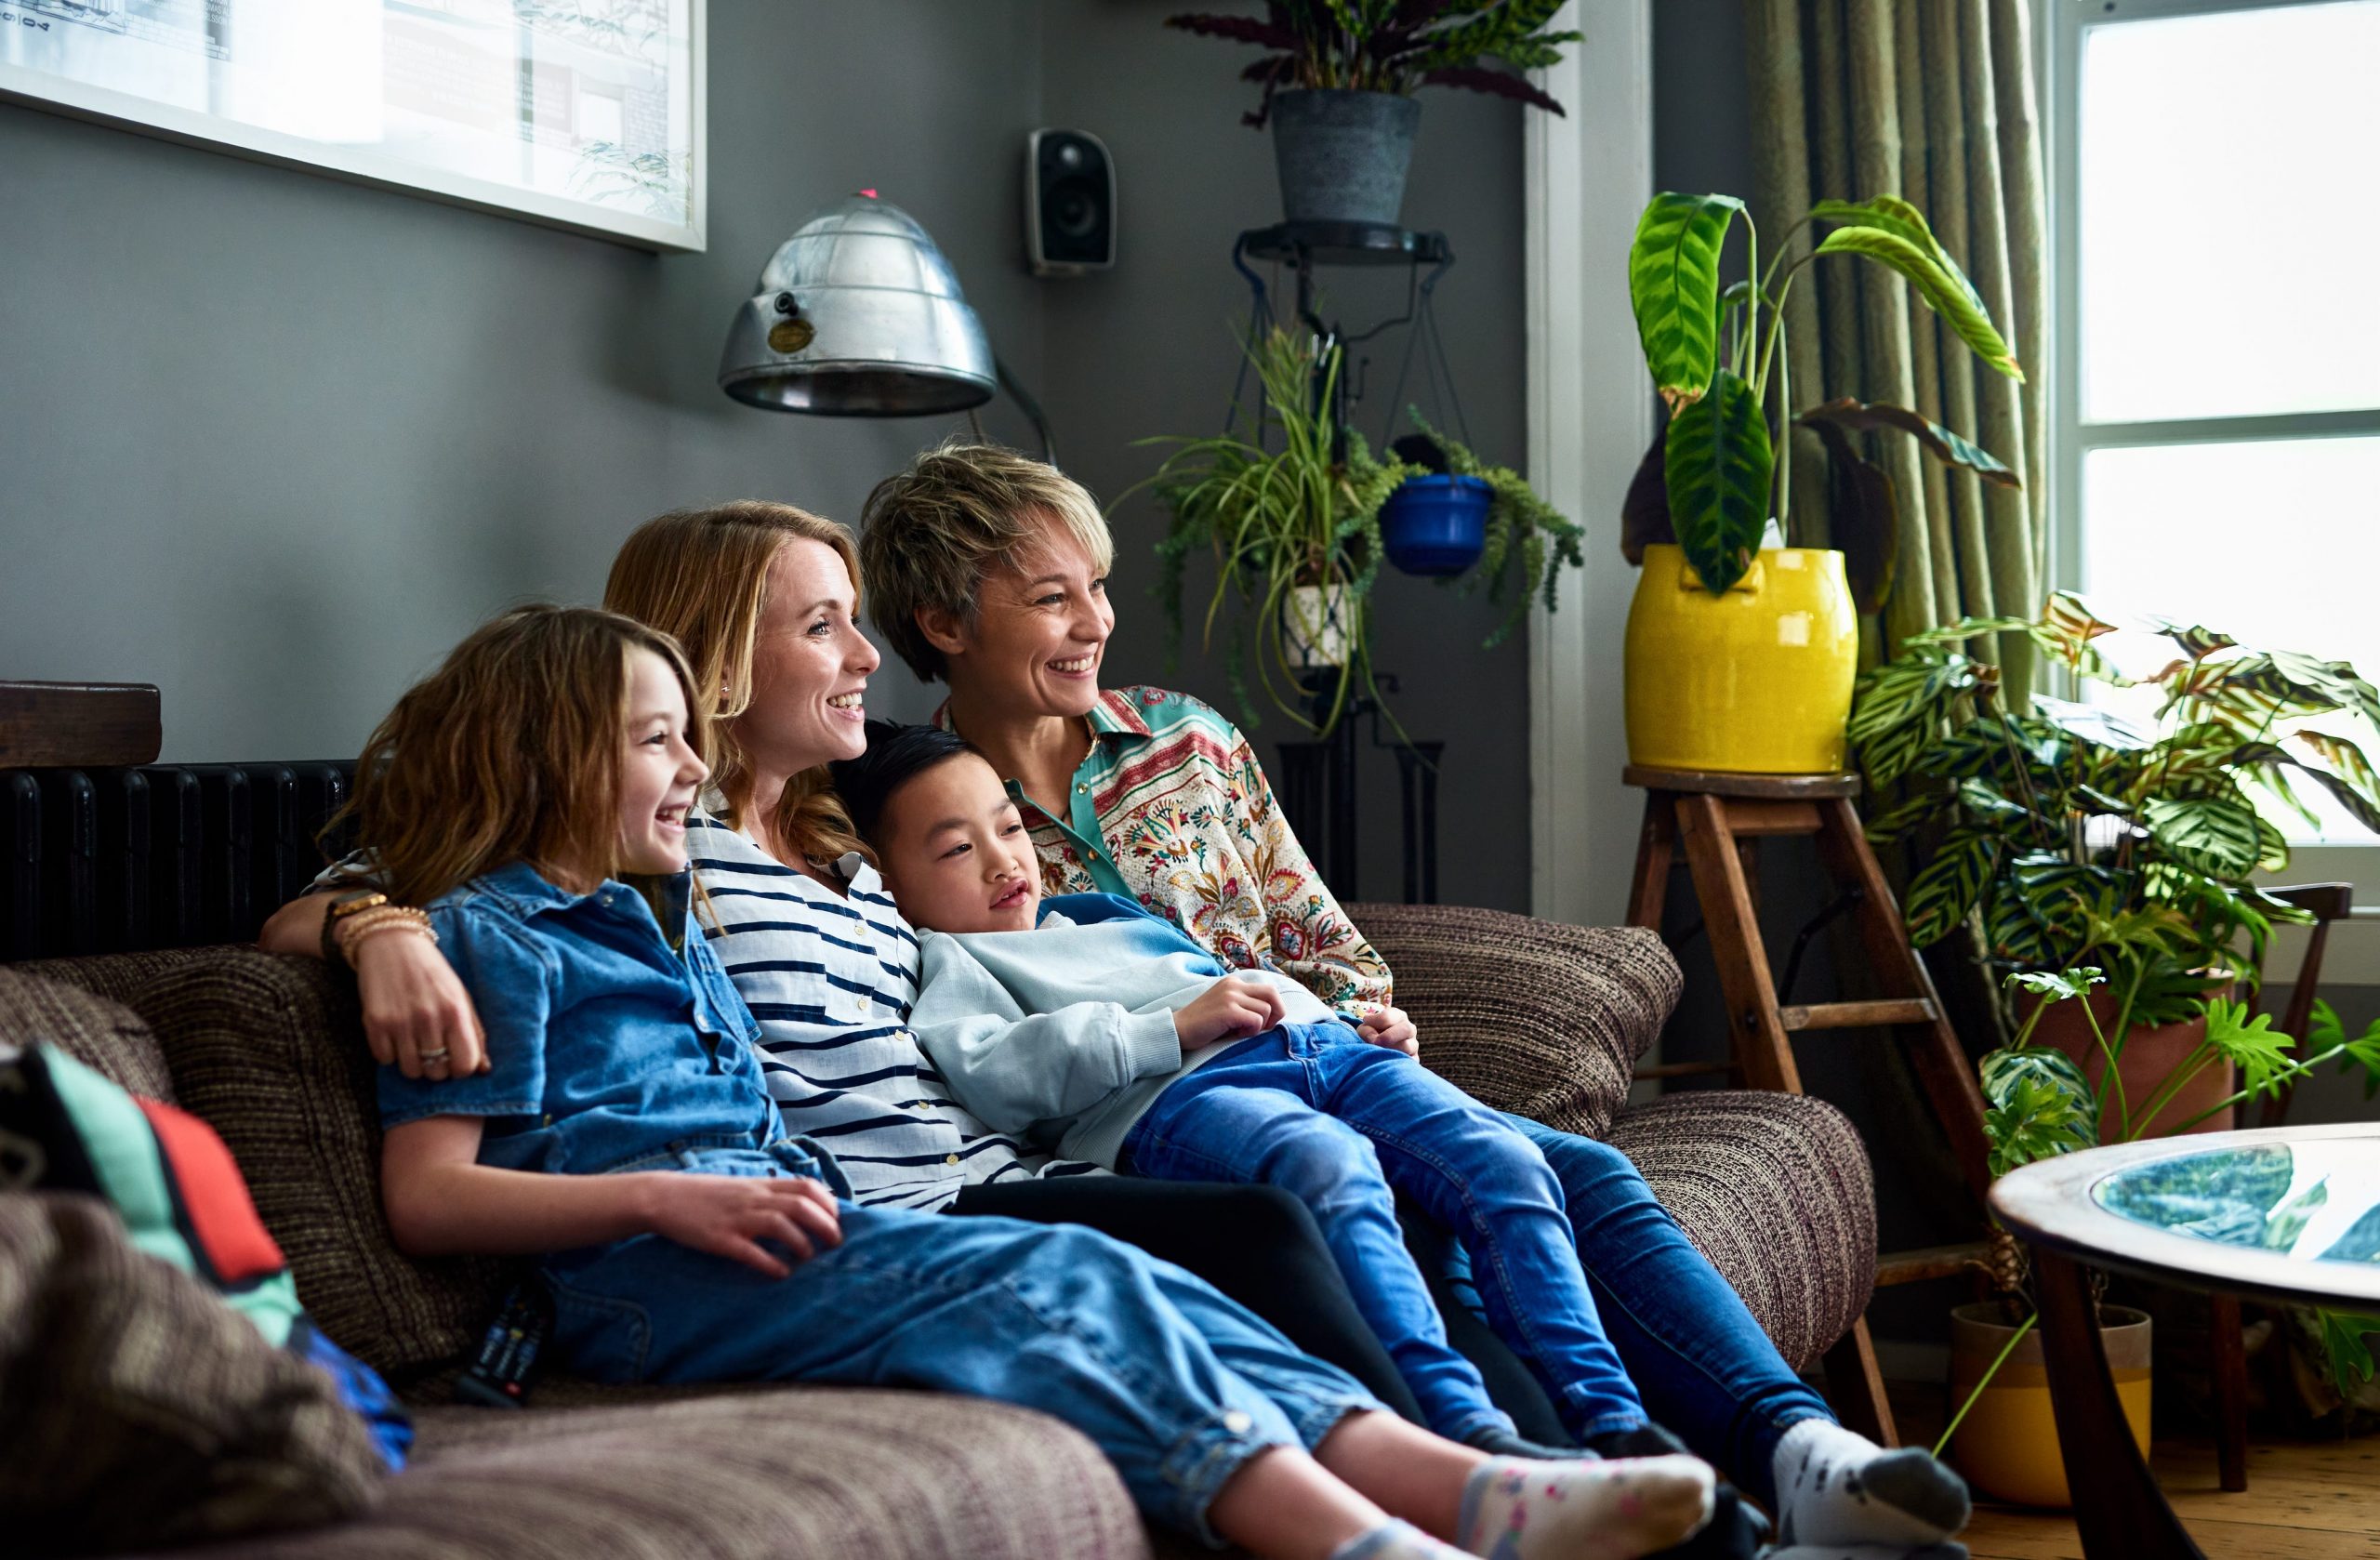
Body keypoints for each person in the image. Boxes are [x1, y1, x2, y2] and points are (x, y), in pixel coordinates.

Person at [342, 601, 1717, 1560]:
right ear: (544, 754)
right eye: (656, 739)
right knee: (1053, 1280)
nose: (694, 764)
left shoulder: (667, 913)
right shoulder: (490, 942)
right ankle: (1369, 1536)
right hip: (643, 1285)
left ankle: (1470, 1485)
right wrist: (662, 1192)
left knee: (1145, 1282)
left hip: (779, 1230)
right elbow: (429, 1195)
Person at [853, 440, 1977, 1560]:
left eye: (1096, 586)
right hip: (1175, 1131)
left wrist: (1365, 1012)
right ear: (946, 626)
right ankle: (1630, 1502)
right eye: (1051, 600)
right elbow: (983, 1058)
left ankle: (1798, 1449)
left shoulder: (1187, 741)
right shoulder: (924, 830)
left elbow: (1321, 937)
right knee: (1422, 1230)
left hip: (1322, 1059)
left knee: (1580, 1168)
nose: (1094, 619)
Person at [261, 500, 1445, 1427]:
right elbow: (408, 877)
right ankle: (1463, 1474)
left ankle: (1500, 1457)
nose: (869, 657)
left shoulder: (852, 841)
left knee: (1364, 1193)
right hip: (890, 1206)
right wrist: (381, 931)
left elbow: (1024, 971)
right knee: (1270, 1226)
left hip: (1011, 1159)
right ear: (716, 650)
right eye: (822, 623)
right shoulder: (652, 848)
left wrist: (1295, 1022)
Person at [830, 718, 1658, 1454]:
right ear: (889, 879)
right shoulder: (953, 963)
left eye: (1007, 826)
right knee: (1325, 1165)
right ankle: (1460, 1420)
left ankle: (1613, 1421)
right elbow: (1001, 1076)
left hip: (1319, 1049)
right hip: (1176, 1097)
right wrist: (1172, 1029)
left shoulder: (1101, 918)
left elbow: (1236, 979)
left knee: (1505, 1162)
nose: (1005, 859)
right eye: (955, 848)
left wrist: (1350, 1026)